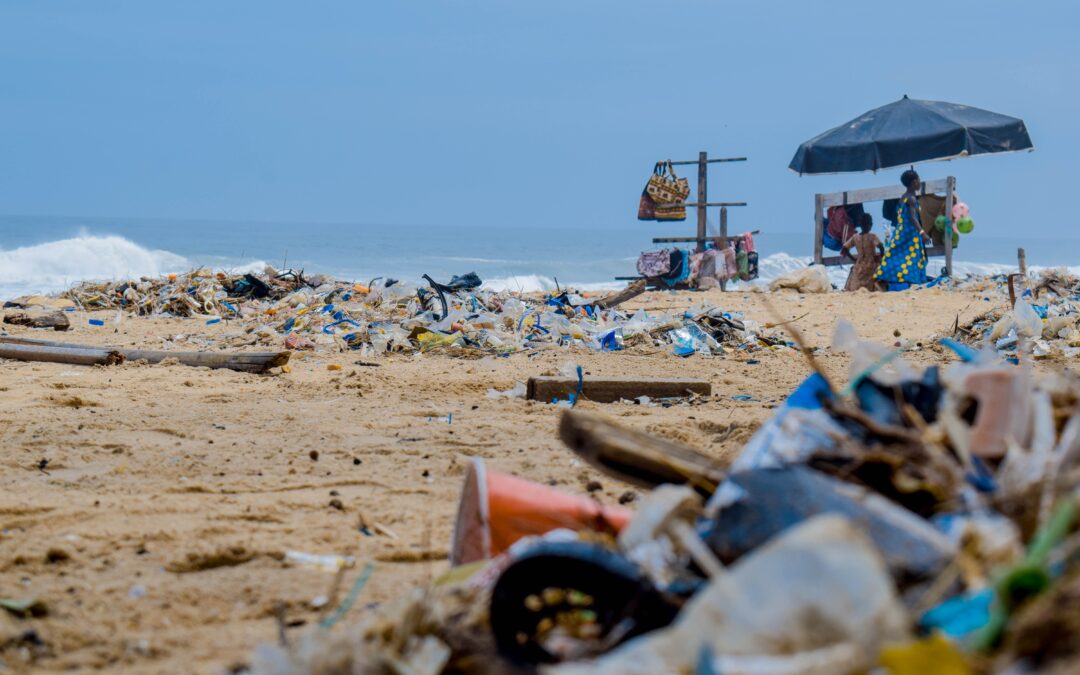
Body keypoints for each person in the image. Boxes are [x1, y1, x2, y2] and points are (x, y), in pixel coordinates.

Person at [874, 169, 931, 290]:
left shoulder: (903, 197)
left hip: (900, 232)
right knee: (913, 258)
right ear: (914, 182)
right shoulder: (911, 198)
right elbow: (912, 218)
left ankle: (885, 280)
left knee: (895, 256)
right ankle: (908, 283)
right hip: (910, 234)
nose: (920, 182)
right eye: (919, 180)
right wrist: (922, 233)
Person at [841, 214, 883, 291]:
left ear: (860, 225)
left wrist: (853, 259)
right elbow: (880, 246)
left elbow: (844, 249)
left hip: (859, 263)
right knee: (874, 281)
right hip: (871, 263)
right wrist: (880, 258)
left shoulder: (855, 237)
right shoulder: (872, 236)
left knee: (856, 283)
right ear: (871, 224)